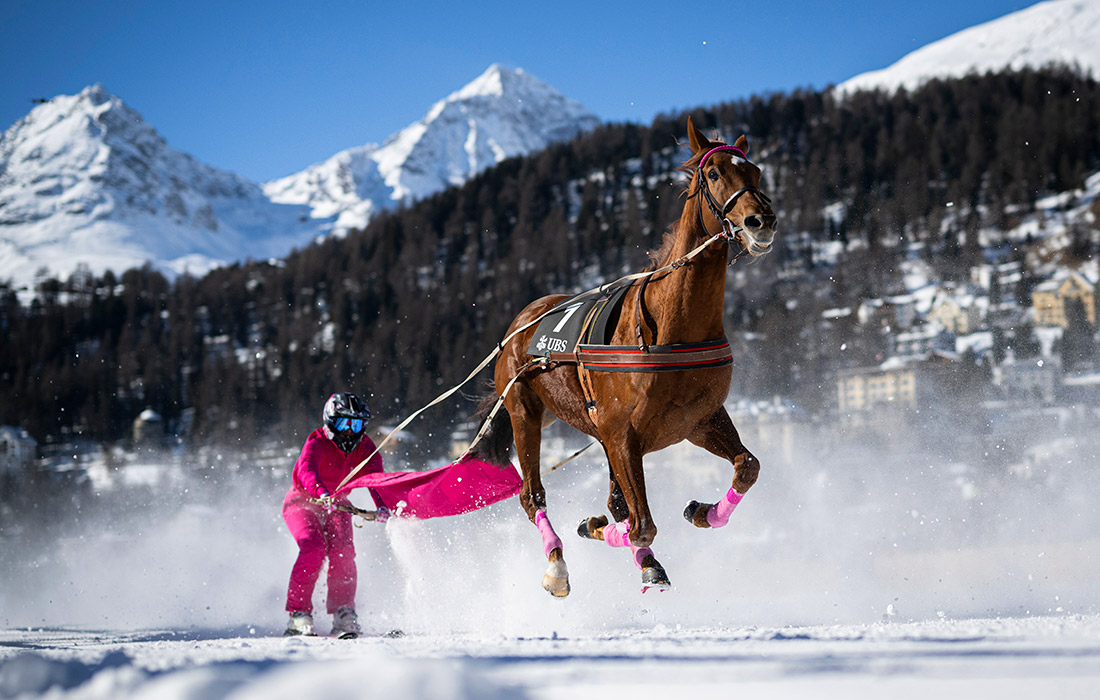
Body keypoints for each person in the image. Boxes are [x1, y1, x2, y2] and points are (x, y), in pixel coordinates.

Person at [282, 392, 387, 638]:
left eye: (356, 424)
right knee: (313, 548)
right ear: (330, 422)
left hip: (338, 505)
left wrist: (383, 505)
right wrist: (321, 492)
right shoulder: (316, 442)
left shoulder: (365, 447)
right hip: (302, 502)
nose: (349, 432)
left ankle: (343, 611)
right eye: (343, 424)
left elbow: (376, 478)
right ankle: (298, 614)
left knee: (344, 551)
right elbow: (307, 469)